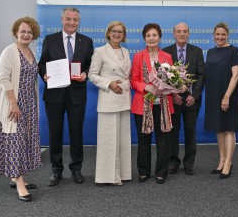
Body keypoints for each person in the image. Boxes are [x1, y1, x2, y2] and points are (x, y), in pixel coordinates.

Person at [38, 7, 94, 186]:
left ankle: (76, 169)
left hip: (77, 94)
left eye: (75, 19)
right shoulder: (50, 39)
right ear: (62, 19)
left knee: (76, 133)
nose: (72, 22)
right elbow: (42, 64)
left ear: (79, 21)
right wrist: (45, 74)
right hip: (54, 94)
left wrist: (85, 73)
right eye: (68, 19)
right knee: (55, 133)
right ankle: (56, 170)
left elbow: (90, 65)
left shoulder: (86, 41)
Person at [0, 16, 41, 202]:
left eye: (29, 32)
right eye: (23, 31)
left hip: (30, 103)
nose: (26, 34)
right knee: (15, 141)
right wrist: (13, 103)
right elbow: (3, 78)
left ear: (33, 34)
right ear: (16, 32)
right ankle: (19, 183)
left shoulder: (31, 52)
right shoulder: (9, 51)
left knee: (25, 141)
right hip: (14, 104)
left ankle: (17, 175)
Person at [88, 21, 132, 185]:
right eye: (114, 31)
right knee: (109, 140)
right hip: (109, 100)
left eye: (120, 31)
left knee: (123, 140)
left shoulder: (126, 51)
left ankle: (123, 174)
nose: (117, 34)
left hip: (124, 100)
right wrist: (109, 84)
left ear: (124, 34)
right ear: (108, 33)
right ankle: (108, 177)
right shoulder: (100, 51)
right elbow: (92, 75)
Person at [130, 23, 174, 184]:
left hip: (163, 104)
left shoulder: (167, 57)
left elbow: (172, 79)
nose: (151, 38)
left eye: (154, 35)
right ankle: (143, 171)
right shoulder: (137, 57)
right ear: (144, 38)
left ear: (160, 37)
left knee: (163, 140)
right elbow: (133, 81)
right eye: (148, 36)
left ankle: (162, 171)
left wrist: (167, 87)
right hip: (143, 104)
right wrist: (146, 86)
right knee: (143, 139)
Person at [162, 22, 205, 175]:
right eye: (179, 31)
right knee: (173, 132)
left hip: (191, 100)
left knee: (190, 132)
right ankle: (173, 161)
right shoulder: (166, 52)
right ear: (173, 33)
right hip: (173, 99)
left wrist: (194, 95)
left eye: (184, 31)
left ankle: (189, 163)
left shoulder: (197, 51)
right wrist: (173, 94)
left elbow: (201, 76)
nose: (181, 34)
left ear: (188, 33)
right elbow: (163, 77)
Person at [204, 22, 238, 179]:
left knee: (228, 129)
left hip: (228, 95)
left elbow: (236, 75)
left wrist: (226, 96)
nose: (220, 37)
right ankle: (221, 161)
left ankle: (228, 163)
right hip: (213, 95)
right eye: (217, 34)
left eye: (223, 34)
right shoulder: (211, 52)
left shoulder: (233, 51)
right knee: (219, 128)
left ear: (227, 35)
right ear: (214, 35)